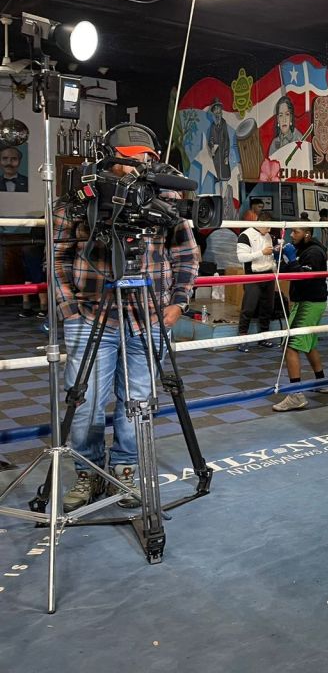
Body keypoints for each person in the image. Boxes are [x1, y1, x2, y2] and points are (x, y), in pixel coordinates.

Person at [55, 123, 199, 512]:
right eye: (130, 159)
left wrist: (179, 302)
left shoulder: (167, 197)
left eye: (145, 159)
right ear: (109, 159)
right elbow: (59, 253)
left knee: (138, 401)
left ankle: (125, 467)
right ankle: (88, 471)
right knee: (85, 403)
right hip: (89, 315)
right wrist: (69, 310)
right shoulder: (79, 197)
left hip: (150, 316)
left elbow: (186, 254)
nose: (138, 166)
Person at [273, 226, 328, 411]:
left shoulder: (314, 252)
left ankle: (296, 395)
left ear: (307, 234)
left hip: (309, 303)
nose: (292, 235)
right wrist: (279, 258)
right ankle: (322, 382)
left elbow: (304, 277)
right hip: (309, 301)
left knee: (290, 346)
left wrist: (291, 259)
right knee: (309, 343)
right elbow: (290, 271)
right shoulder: (302, 249)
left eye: (296, 232)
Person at [236, 212, 278, 352]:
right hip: (253, 275)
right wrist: (262, 252)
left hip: (268, 274)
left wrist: (276, 252)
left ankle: (264, 338)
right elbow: (242, 257)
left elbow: (269, 256)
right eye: (268, 227)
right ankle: (242, 339)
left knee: (267, 308)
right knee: (248, 308)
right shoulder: (245, 235)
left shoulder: (268, 236)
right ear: (260, 223)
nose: (270, 230)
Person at [206, 97, 231, 180]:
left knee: (225, 176)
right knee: (217, 177)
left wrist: (226, 155)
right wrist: (212, 146)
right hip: (216, 156)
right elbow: (210, 138)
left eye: (218, 109)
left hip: (223, 153)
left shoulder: (224, 123)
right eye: (215, 110)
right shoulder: (213, 126)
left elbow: (226, 139)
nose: (217, 112)